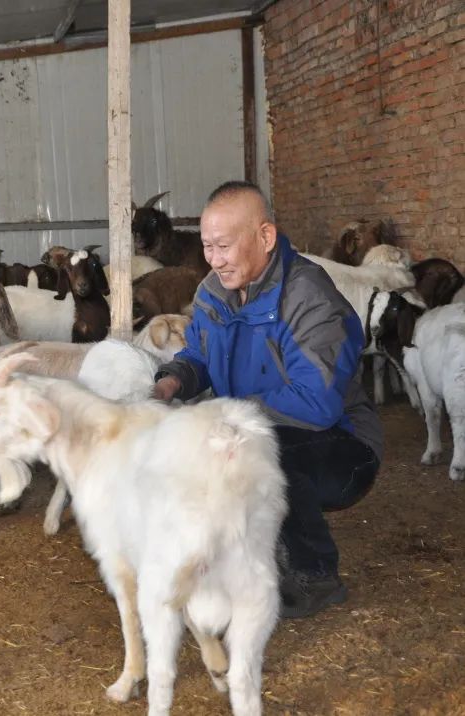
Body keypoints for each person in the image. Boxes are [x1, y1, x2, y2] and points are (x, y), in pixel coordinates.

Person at [152, 181, 382, 619]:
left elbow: (316, 401)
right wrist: (171, 382)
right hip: (253, 424)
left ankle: (315, 576)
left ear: (265, 237)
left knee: (261, 455)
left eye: (223, 246)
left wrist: (225, 416)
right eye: (206, 247)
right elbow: (199, 354)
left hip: (343, 443)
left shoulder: (309, 298)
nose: (214, 259)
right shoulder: (212, 292)